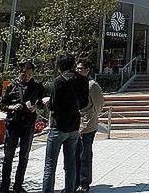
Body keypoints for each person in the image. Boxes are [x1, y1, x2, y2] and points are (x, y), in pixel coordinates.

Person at [42, 54, 90, 193]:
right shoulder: (82, 79)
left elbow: (53, 106)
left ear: (59, 66)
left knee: (50, 165)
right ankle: (70, 190)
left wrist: (46, 102)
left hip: (58, 126)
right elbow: (84, 102)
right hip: (74, 126)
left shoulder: (58, 81)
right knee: (71, 165)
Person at [0, 61, 45, 193]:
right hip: (13, 124)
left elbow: (42, 101)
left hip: (28, 124)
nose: (27, 77)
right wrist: (12, 107)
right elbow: (2, 105)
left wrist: (35, 106)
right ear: (20, 73)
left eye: (30, 75)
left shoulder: (37, 86)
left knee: (24, 156)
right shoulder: (11, 86)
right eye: (24, 74)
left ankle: (18, 186)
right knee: (8, 156)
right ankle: (4, 186)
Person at [75, 60, 105, 193]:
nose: (78, 70)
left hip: (87, 125)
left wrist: (90, 116)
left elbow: (99, 104)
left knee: (84, 154)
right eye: (77, 68)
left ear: (87, 70)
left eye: (81, 68)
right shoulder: (75, 83)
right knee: (75, 154)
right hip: (75, 124)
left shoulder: (92, 85)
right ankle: (75, 181)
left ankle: (84, 182)